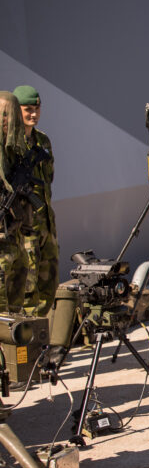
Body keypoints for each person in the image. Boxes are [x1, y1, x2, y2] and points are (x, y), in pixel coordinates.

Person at [11, 86, 58, 317]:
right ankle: (28, 347)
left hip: (46, 225)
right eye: (28, 109)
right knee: (27, 290)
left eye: (37, 108)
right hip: (24, 229)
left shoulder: (43, 141)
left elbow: (48, 180)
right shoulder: (10, 145)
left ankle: (42, 342)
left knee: (48, 286)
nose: (34, 114)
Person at [0, 92, 30, 314]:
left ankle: (15, 348)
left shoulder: (15, 150)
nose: (9, 120)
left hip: (15, 236)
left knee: (16, 305)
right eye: (4, 115)